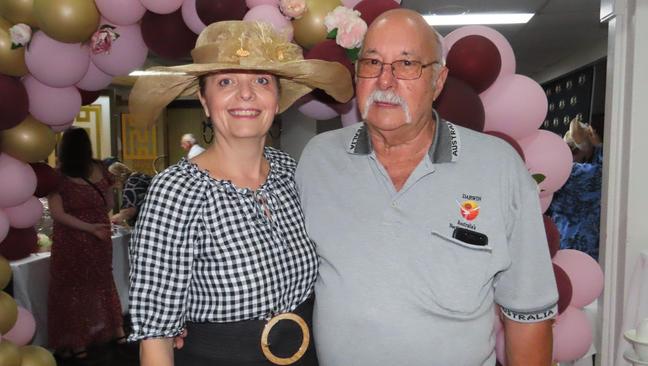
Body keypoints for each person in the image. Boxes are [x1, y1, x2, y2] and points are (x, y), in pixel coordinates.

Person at [295, 9, 558, 366]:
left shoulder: (498, 168)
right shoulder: (318, 161)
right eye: (372, 63)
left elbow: (529, 316)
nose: (385, 82)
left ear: (438, 80)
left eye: (406, 65)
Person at [127, 21, 352, 366]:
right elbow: (156, 336)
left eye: (261, 81)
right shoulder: (175, 192)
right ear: (204, 99)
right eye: (226, 81)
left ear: (277, 100)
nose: (246, 94)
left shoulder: (291, 173)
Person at [47, 127, 126, 360]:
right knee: (102, 282)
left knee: (71, 289)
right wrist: (94, 224)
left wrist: (87, 227)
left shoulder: (58, 176)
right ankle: (118, 331)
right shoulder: (101, 168)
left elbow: (57, 214)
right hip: (101, 235)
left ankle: (78, 343)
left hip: (71, 239)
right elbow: (109, 202)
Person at [548, 116, 604, 260]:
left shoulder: (558, 169)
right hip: (586, 240)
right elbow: (604, 173)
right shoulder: (575, 173)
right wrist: (598, 146)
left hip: (563, 236)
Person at [107, 162, 152, 226]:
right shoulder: (140, 177)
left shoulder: (132, 183)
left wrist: (115, 219)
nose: (115, 187)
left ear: (116, 177)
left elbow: (128, 212)